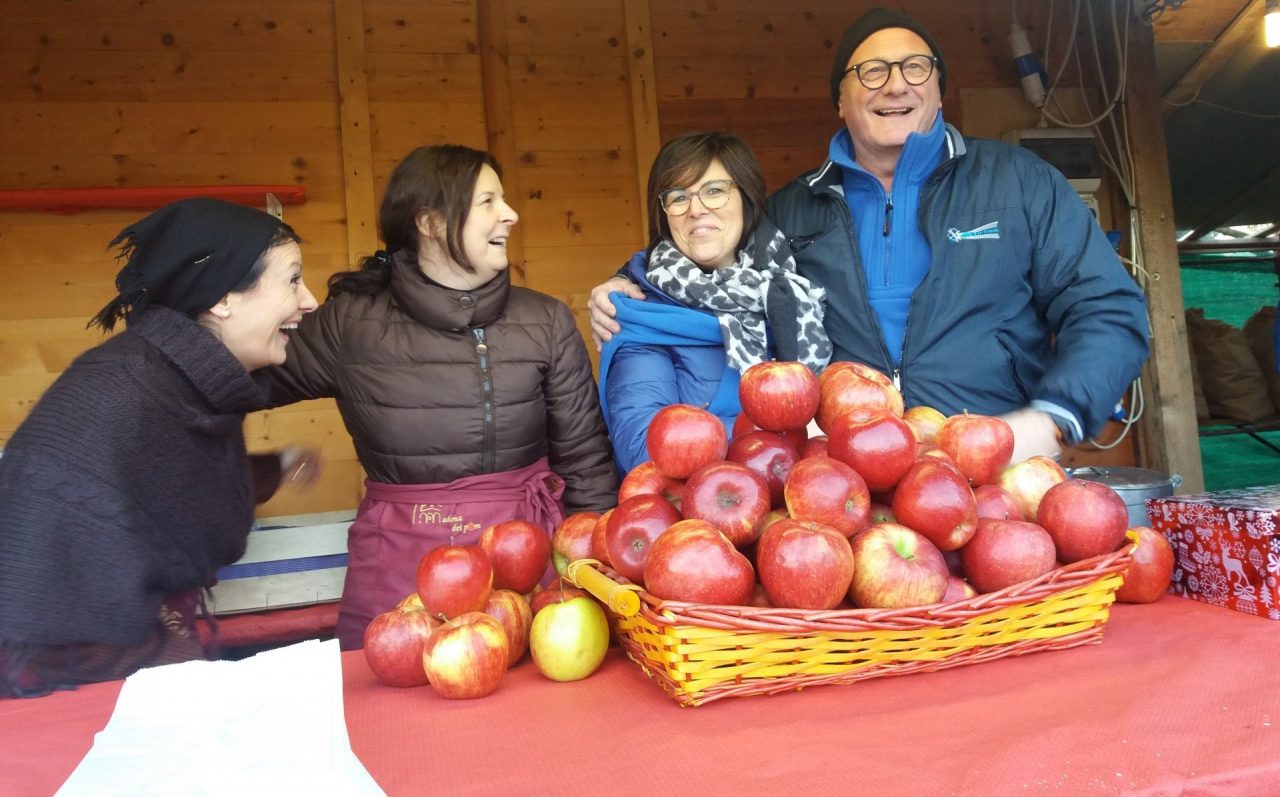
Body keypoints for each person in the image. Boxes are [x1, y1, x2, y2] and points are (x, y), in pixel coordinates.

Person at [589, 8, 1150, 464]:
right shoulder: (790, 211)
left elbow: (1108, 308)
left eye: (915, 67)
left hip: (1003, 465)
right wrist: (624, 279)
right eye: (872, 72)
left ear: (938, 88)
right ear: (841, 99)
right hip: (848, 486)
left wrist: (1052, 420)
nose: (895, 84)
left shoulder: (1019, 184)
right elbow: (706, 245)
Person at [262, 145, 617, 649]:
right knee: (389, 711)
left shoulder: (546, 320)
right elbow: (227, 381)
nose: (510, 214)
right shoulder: (351, 325)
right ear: (429, 221)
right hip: (396, 569)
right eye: (488, 201)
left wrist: (595, 574)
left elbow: (584, 460)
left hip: (526, 564)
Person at [0, 198, 320, 697]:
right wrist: (184, 674)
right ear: (222, 298)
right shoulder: (123, 391)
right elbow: (51, 585)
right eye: (293, 279)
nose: (310, 300)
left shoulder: (181, 379)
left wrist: (271, 469)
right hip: (68, 678)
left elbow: (159, 486)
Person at [599, 131, 831, 473]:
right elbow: (646, 453)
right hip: (698, 515)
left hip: (805, 505)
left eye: (714, 191)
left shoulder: (792, 294)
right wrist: (784, 441)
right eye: (678, 197)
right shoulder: (640, 315)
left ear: (746, 198)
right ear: (664, 214)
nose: (696, 209)